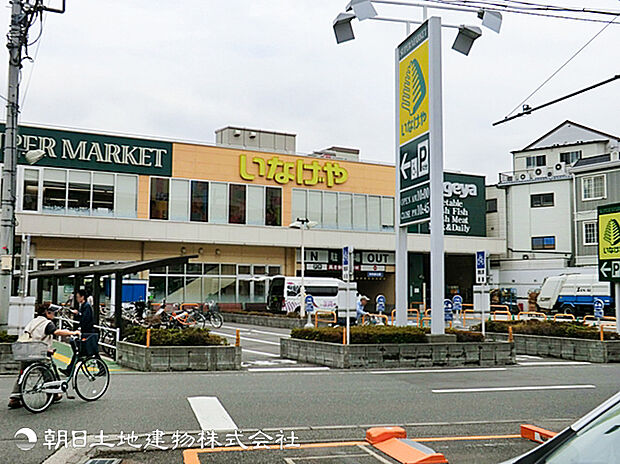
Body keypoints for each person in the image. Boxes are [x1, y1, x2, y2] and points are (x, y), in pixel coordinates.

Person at [8, 305, 80, 409]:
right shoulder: (47, 323)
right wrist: (73, 332)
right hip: (38, 353)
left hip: (27, 351)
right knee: (47, 371)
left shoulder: (34, 321)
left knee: (23, 373)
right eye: (53, 313)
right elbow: (57, 332)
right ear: (47, 312)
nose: (54, 315)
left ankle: (14, 398)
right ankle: (53, 394)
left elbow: (34, 336)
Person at [60, 289, 95, 376]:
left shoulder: (86, 306)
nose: (77, 299)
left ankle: (69, 370)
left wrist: (78, 314)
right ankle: (69, 370)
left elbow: (85, 319)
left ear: (82, 297)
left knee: (86, 351)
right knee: (80, 352)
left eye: (78, 297)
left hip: (87, 332)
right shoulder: (83, 305)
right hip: (85, 332)